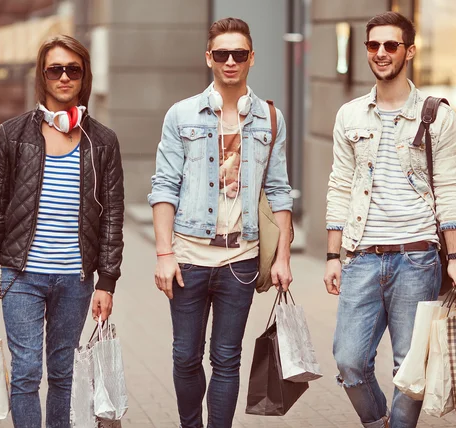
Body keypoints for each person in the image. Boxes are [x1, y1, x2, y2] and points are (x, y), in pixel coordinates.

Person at [323, 12, 456, 428]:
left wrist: (454, 255)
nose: (381, 53)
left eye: (391, 45)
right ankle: (377, 423)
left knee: (409, 371)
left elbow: (447, 188)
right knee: (349, 360)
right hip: (362, 256)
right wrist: (333, 254)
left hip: (417, 257)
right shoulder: (349, 115)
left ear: (409, 50)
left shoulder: (436, 115)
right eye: (373, 45)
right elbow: (339, 185)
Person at [148, 17, 293, 428]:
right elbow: (163, 187)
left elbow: (280, 192)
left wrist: (282, 258)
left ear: (251, 59)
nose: (231, 61)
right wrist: (164, 254)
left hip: (241, 259)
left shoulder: (269, 119)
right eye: (223, 54)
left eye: (239, 54)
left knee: (227, 358)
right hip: (189, 257)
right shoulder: (181, 114)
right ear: (209, 58)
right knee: (185, 356)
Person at [0, 35, 124, 428]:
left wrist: (107, 281)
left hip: (76, 279)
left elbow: (112, 217)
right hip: (21, 276)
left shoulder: (102, 142)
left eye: (72, 69)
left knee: (62, 373)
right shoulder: (13, 135)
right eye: (55, 69)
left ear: (83, 76)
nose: (63, 77)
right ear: (43, 77)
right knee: (25, 372)